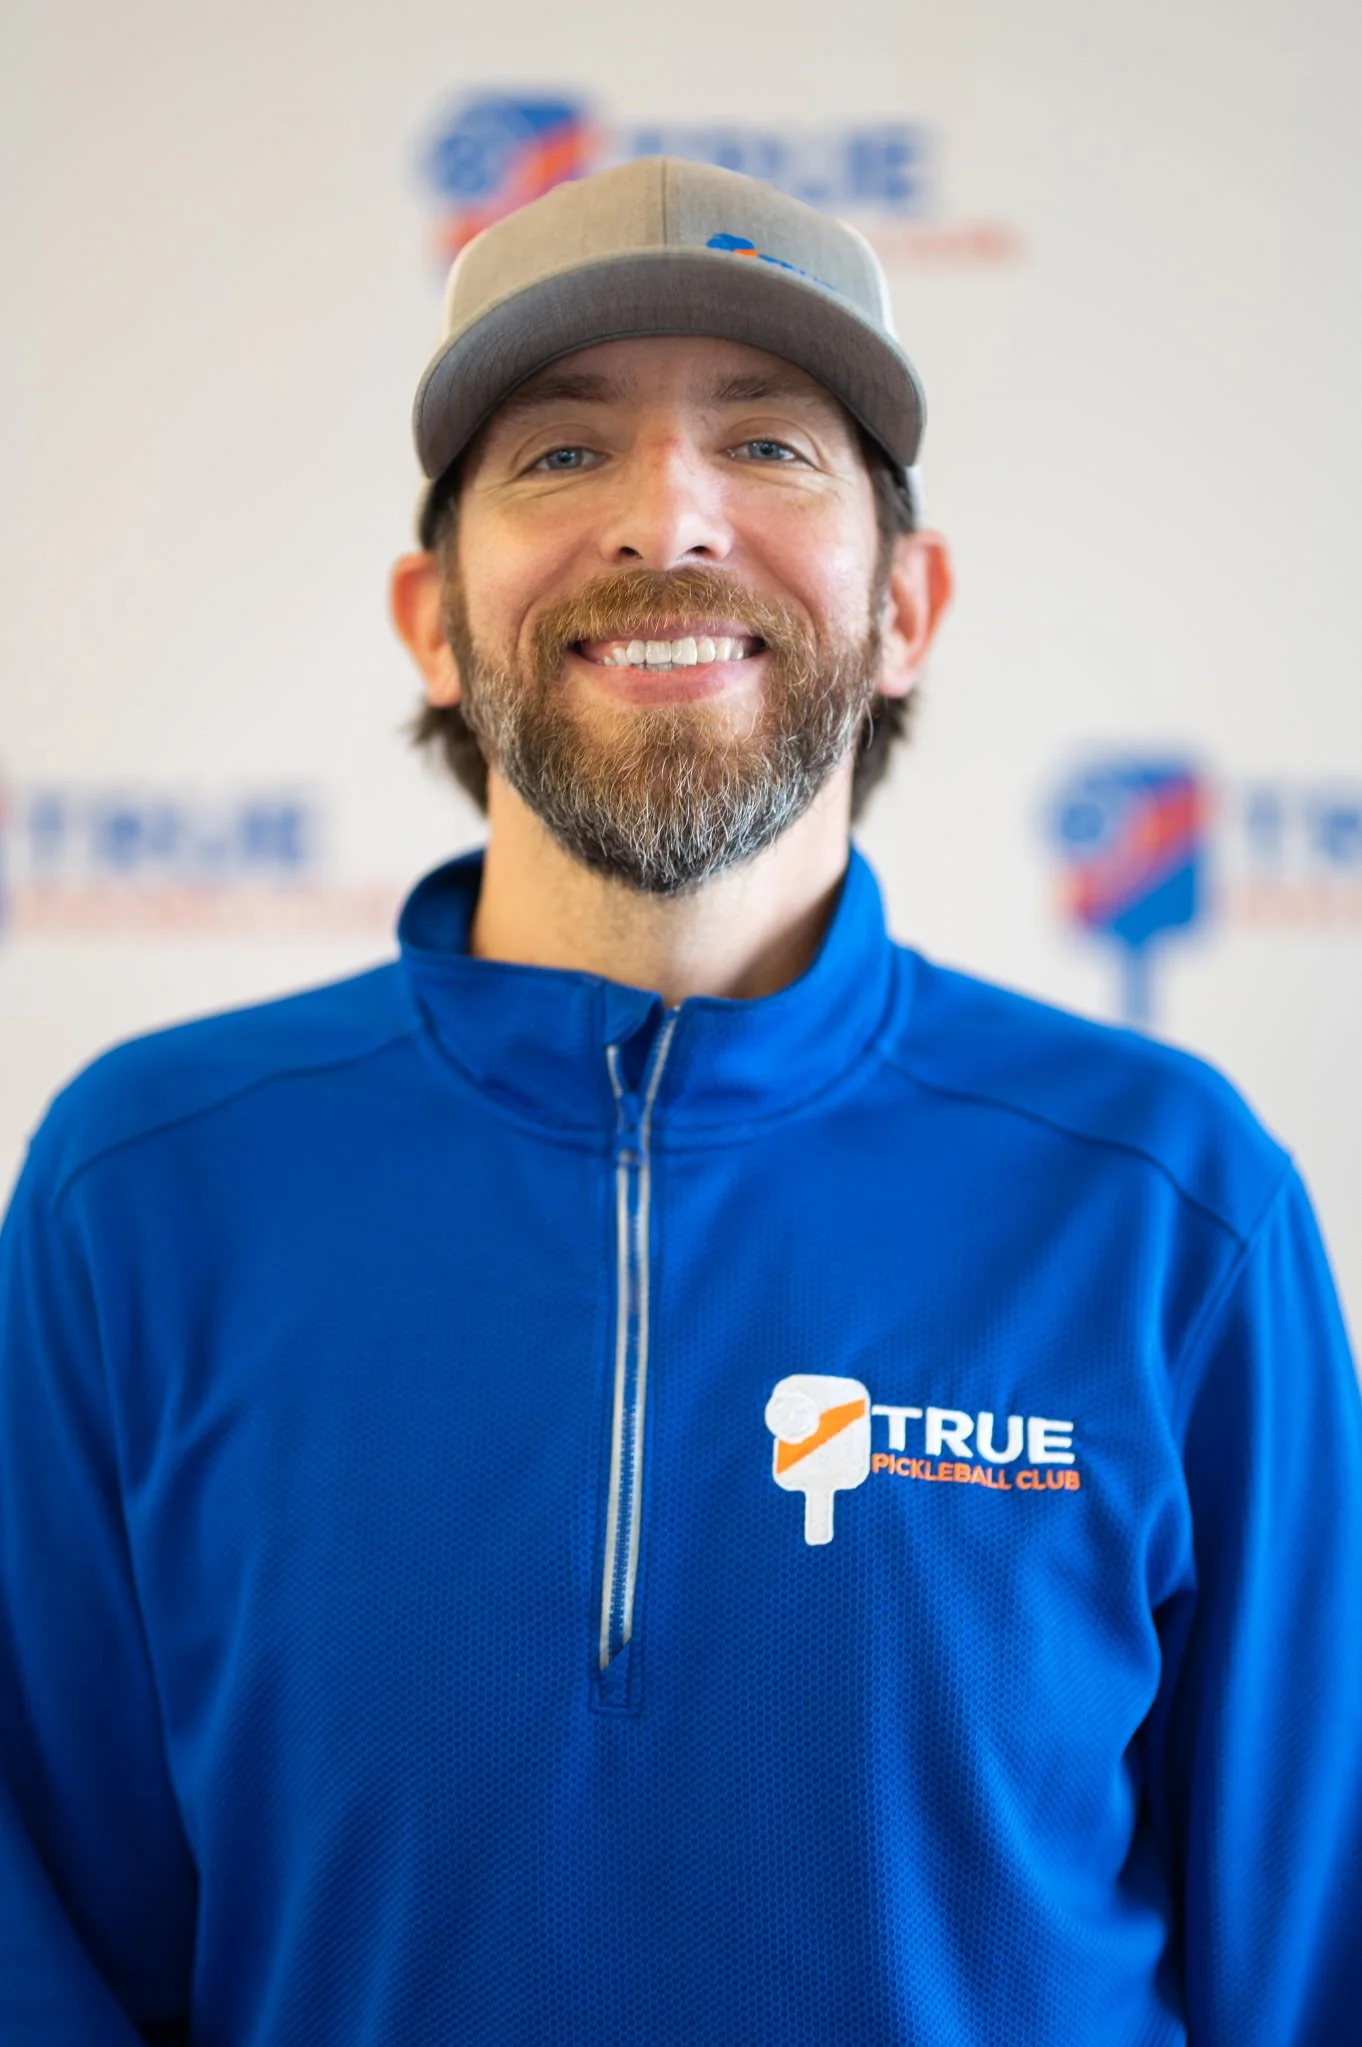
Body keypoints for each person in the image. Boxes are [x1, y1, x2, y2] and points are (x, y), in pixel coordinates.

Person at [1, 157, 1359, 2047]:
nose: (667, 518)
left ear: (907, 606)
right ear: (429, 618)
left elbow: (1308, 1965)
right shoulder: (141, 1194)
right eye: (560, 455)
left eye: (772, 448)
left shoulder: (1167, 1206)